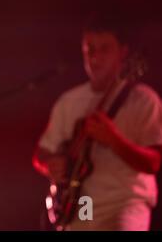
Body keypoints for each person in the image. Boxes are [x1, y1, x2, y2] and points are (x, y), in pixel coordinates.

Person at [32, 14, 162, 230]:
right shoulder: (68, 101)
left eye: (105, 49)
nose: (95, 57)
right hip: (79, 208)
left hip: (123, 206)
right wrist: (51, 165)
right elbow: (40, 154)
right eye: (89, 49)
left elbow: (154, 162)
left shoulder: (144, 101)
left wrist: (112, 139)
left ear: (123, 52)